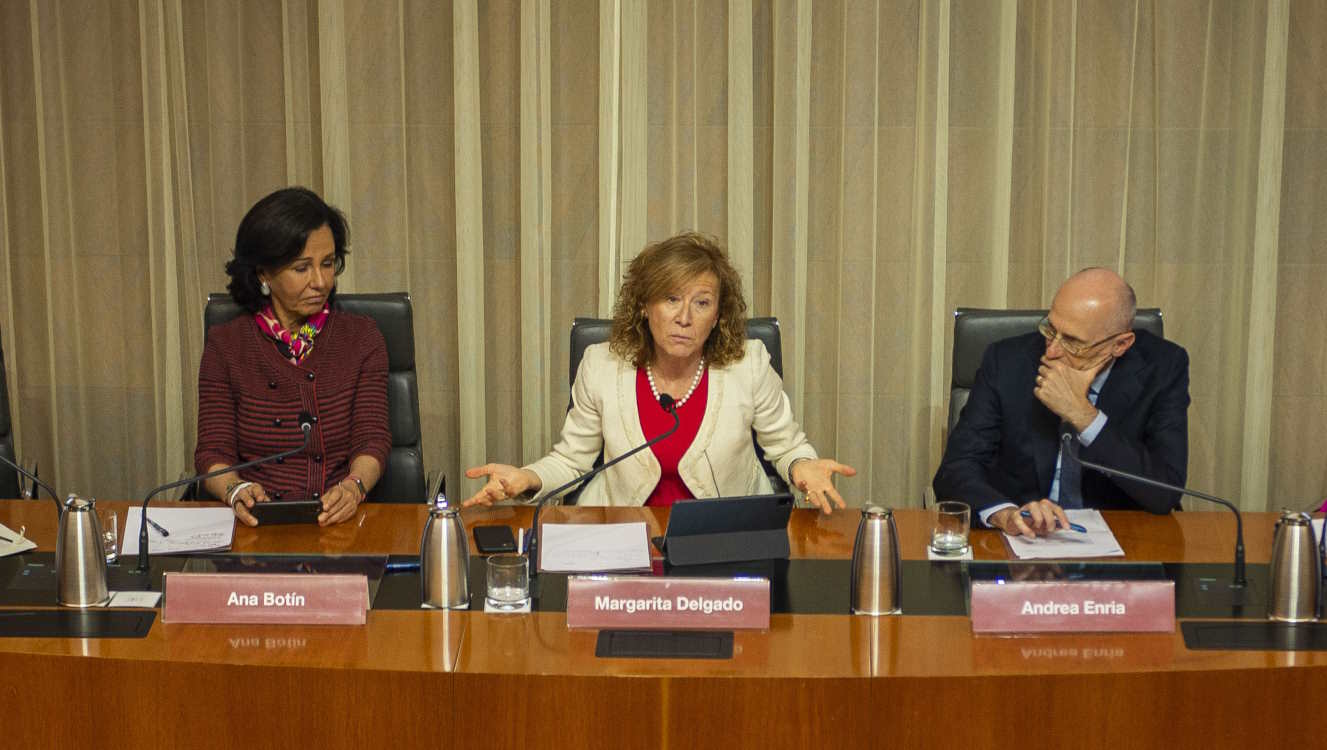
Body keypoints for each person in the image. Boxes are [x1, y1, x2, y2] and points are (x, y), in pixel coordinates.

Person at [462, 232, 856, 512]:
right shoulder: (601, 365)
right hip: (620, 541)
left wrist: (803, 466)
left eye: (701, 303)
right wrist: (526, 478)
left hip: (722, 542)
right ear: (643, 306)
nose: (684, 318)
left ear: (718, 316)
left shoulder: (748, 364)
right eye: (671, 299)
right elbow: (572, 461)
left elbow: (786, 448)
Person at [932, 267, 1189, 538]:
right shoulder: (1007, 361)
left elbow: (1165, 493)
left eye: (1073, 343)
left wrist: (1083, 416)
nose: (1052, 350)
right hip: (1022, 541)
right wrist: (1005, 514)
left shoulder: (1163, 368)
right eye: (1051, 329)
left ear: (1120, 344)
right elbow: (956, 469)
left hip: (1123, 542)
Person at [194, 187, 390, 526]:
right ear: (263, 274)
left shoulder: (362, 337)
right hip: (257, 526)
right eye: (302, 268)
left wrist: (353, 487)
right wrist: (235, 489)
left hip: (340, 525)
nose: (320, 281)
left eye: (328, 264)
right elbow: (213, 453)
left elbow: (372, 440)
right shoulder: (226, 346)